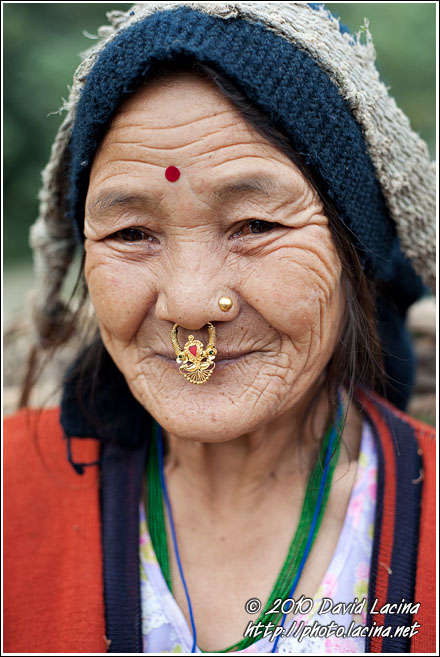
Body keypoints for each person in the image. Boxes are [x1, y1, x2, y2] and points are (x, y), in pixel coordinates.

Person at [4, 2, 436, 654]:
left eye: (255, 225)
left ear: (355, 250)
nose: (190, 303)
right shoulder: (14, 490)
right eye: (131, 233)